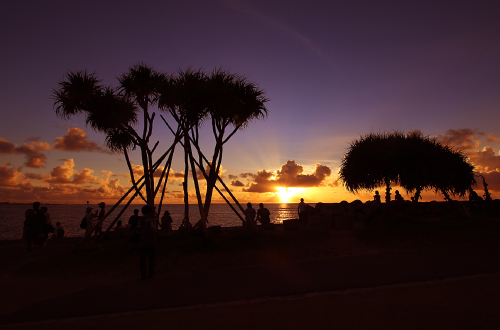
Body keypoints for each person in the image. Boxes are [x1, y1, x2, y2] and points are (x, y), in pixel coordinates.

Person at [138, 205, 158, 280]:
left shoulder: (143, 218)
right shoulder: (156, 217)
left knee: (143, 259)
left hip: (143, 240)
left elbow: (139, 227)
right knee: (151, 258)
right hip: (152, 240)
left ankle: (143, 275)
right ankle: (151, 273)